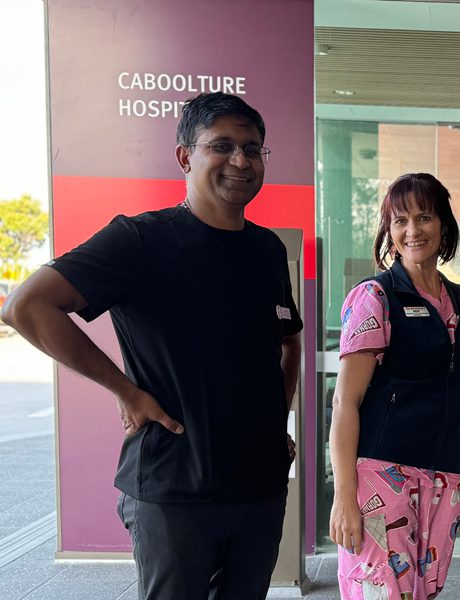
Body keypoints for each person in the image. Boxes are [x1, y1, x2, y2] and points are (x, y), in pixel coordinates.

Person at [0, 92, 302, 600]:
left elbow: (288, 344)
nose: (240, 161)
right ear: (185, 156)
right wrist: (126, 390)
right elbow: (26, 307)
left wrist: (277, 421)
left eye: (253, 149)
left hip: (259, 487)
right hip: (175, 487)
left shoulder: (267, 249)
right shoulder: (140, 241)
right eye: (222, 146)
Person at [328, 173, 460, 600]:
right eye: (400, 221)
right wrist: (344, 495)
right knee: (379, 592)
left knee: (425, 593)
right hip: (382, 478)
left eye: (424, 217)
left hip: (447, 478)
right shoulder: (375, 298)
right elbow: (345, 401)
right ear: (389, 232)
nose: (412, 230)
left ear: (444, 227)